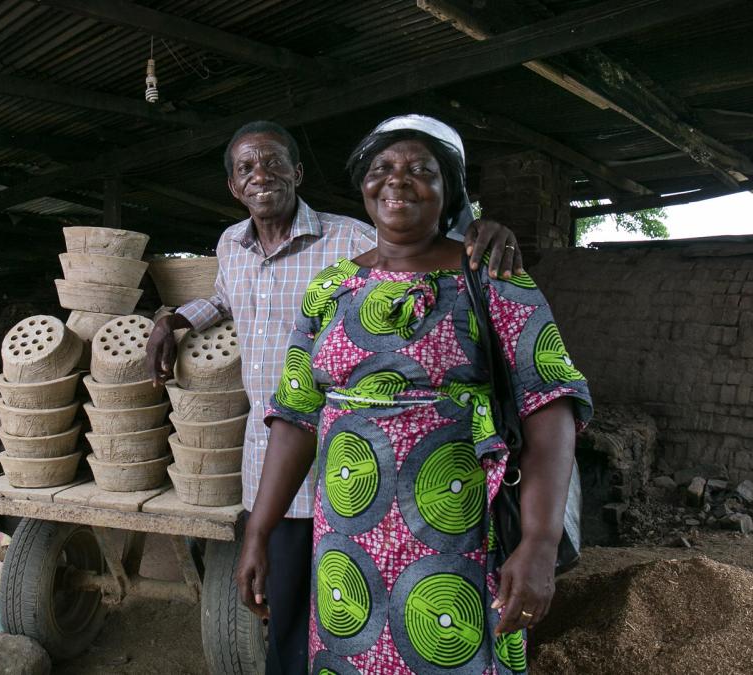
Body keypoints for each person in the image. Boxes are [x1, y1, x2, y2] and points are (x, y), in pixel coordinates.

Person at [146, 120, 522, 674]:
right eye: (246, 168)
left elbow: (420, 242)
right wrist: (172, 319)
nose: (260, 175)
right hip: (272, 455)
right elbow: (223, 297)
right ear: (233, 186)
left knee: (355, 610)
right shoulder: (231, 245)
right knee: (288, 613)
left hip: (350, 465)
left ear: (297, 173)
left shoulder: (349, 240)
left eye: (273, 162)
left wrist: (484, 232)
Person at [233, 114, 593, 674]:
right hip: (346, 548)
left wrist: (540, 542)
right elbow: (296, 416)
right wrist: (259, 529)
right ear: (364, 185)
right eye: (381, 168)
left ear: (450, 191)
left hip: (457, 535)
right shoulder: (331, 289)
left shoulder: (493, 279)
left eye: (422, 170)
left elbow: (550, 405)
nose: (397, 180)